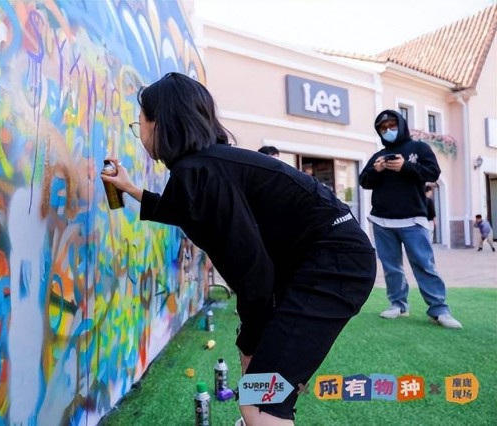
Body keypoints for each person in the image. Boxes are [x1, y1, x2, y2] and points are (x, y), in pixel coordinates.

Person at [103, 72, 376, 425]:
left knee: (260, 401)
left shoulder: (201, 172)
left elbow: (252, 272)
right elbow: (188, 209)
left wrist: (250, 339)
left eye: (138, 124)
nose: (139, 133)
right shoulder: (206, 166)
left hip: (332, 267)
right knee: (261, 383)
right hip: (324, 261)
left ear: (159, 123)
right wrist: (131, 189)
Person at [359, 109, 462, 329]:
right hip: (381, 221)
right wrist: (376, 170)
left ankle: (439, 309)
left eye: (392, 125)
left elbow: (433, 173)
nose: (388, 130)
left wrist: (405, 167)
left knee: (424, 265)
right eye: (383, 128)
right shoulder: (378, 155)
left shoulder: (419, 148)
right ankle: (398, 305)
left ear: (401, 124)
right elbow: (364, 181)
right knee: (391, 267)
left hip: (413, 219)